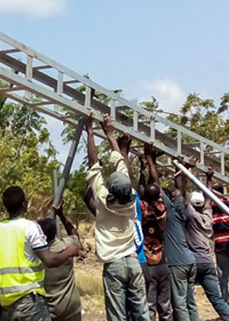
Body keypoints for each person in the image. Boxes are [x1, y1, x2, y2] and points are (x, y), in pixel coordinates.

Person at [86, 113, 150, 321]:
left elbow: (94, 164)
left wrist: (90, 131)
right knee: (141, 314)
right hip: (132, 262)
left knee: (117, 316)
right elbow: (121, 163)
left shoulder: (104, 202)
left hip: (113, 265)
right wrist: (111, 135)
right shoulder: (132, 199)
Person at [0, 186, 80, 321]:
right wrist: (69, 251)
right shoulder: (29, 227)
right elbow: (49, 260)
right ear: (23, 205)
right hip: (29, 303)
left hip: (6, 303)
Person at [183, 180, 229, 321]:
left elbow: (182, 195)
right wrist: (208, 179)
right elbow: (208, 198)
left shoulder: (191, 217)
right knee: (216, 298)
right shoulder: (208, 216)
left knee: (189, 300)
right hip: (207, 262)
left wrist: (183, 174)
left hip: (193, 262)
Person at [137, 143, 172, 321]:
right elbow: (155, 184)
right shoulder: (161, 211)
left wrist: (143, 167)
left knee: (149, 305)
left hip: (148, 265)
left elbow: (141, 191)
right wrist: (150, 159)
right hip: (162, 263)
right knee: (165, 306)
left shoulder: (141, 210)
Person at [160, 158, 197, 321]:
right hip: (190, 260)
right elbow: (181, 189)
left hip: (177, 264)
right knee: (190, 301)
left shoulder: (170, 212)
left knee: (179, 303)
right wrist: (184, 169)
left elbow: (157, 184)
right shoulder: (182, 210)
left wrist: (150, 162)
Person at [39, 204, 83, 321]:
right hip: (71, 305)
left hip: (51, 309)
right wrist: (61, 215)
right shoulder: (67, 245)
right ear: (54, 231)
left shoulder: (39, 256)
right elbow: (74, 234)